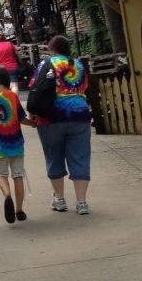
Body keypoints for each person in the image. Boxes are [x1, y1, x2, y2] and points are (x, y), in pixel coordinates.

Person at [28, 36, 92, 215]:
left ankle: (59, 199)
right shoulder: (78, 65)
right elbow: (84, 86)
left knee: (53, 156)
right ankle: (82, 203)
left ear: (52, 50)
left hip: (50, 117)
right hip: (79, 116)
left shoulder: (45, 65)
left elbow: (36, 88)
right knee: (80, 157)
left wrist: (33, 115)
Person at [0, 65, 35, 224]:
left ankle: (7, 196)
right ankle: (19, 210)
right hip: (17, 144)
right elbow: (21, 119)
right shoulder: (13, 97)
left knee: (1, 174)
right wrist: (33, 124)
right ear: (6, 79)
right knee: (18, 175)